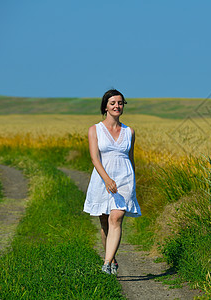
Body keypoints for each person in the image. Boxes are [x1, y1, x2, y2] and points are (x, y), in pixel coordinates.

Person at [83, 89, 141, 275]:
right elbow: (95, 158)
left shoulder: (129, 131)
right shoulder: (95, 130)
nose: (117, 106)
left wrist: (133, 182)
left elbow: (130, 158)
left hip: (124, 179)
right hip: (102, 179)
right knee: (105, 222)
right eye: (113, 103)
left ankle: (106, 264)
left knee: (116, 217)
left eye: (120, 103)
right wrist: (107, 180)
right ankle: (112, 258)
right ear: (105, 107)